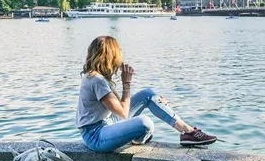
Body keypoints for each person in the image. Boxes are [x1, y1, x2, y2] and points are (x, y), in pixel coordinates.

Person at [76, 36, 217, 152]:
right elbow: (123, 113)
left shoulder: (98, 77)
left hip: (107, 123)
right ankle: (137, 138)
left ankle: (187, 131)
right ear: (110, 57)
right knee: (145, 122)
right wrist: (126, 84)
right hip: (95, 135)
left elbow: (119, 107)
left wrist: (157, 102)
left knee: (148, 94)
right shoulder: (96, 80)